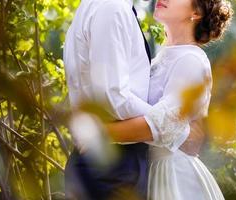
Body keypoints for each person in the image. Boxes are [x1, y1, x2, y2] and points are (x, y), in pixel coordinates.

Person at [63, 0, 206, 199]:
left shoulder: (190, 59)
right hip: (113, 167)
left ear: (196, 12)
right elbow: (113, 97)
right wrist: (177, 130)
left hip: (147, 169)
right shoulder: (112, 8)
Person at [105, 0, 233, 199]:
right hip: (146, 170)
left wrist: (101, 133)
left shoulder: (192, 60)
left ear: (196, 12)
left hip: (174, 176)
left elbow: (164, 124)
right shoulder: (162, 58)